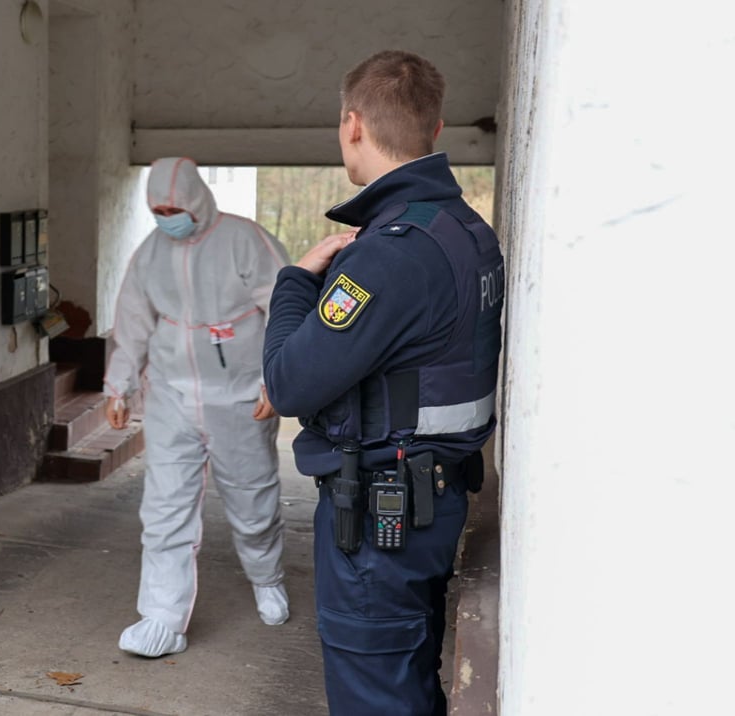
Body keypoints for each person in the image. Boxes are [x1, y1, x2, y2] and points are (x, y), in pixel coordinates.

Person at [263, 50, 505, 715]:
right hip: (432, 498)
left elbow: (288, 383)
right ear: (435, 128)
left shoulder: (389, 254)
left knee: (376, 695)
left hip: (379, 522)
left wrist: (295, 283)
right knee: (409, 681)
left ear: (352, 125)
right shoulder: (466, 230)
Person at [104, 157, 292, 659]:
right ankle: (161, 617)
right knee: (164, 507)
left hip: (239, 394)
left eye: (175, 209)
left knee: (252, 499)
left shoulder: (243, 240)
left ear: (197, 200)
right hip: (171, 394)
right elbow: (133, 321)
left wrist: (275, 380)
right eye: (159, 211)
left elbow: (285, 308)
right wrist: (119, 385)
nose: (168, 219)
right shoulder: (150, 254)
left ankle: (267, 578)